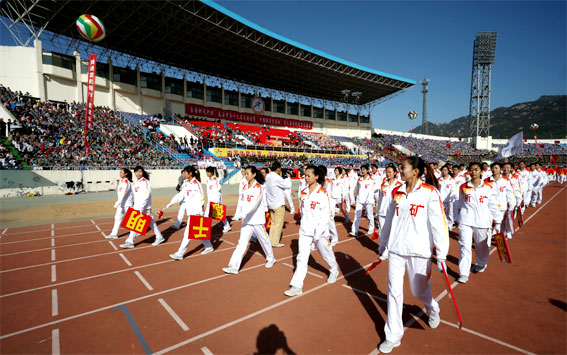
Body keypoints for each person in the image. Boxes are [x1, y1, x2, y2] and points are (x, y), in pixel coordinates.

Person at [377, 156, 449, 354]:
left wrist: (442, 252)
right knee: (393, 291)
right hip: (397, 250)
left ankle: (432, 308)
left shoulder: (429, 193)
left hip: (419, 250)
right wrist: (383, 244)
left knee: (418, 291)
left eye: (404, 167)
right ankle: (393, 336)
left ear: (416, 171)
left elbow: (439, 223)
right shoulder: (396, 192)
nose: (400, 169)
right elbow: (389, 221)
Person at [284, 165, 339, 297]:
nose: (306, 178)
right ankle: (297, 285)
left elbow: (326, 214)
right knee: (302, 258)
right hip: (305, 231)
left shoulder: (322, 193)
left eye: (309, 175)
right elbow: (303, 212)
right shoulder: (303, 192)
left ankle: (334, 269)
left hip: (320, 232)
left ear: (316, 176)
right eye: (305, 175)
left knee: (325, 252)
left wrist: (319, 232)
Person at [222, 166, 275, 274]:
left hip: (257, 220)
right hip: (247, 221)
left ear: (254, 174)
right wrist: (239, 214)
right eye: (244, 174)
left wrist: (243, 213)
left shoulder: (258, 187)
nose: (245, 176)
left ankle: (271, 258)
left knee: (264, 240)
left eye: (247, 174)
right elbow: (242, 202)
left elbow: (254, 204)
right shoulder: (245, 186)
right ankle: (233, 266)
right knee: (241, 243)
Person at [456, 162, 498, 283]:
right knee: (464, 246)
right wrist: (458, 218)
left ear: (481, 172)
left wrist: (496, 220)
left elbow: (493, 204)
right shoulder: (463, 186)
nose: (473, 172)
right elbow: (460, 203)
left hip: (482, 221)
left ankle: (481, 263)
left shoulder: (489, 187)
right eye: (471, 170)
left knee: (482, 246)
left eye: (476, 169)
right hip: (466, 220)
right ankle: (464, 273)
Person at [169, 166, 214, 260]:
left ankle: (180, 253)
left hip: (196, 212)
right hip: (190, 211)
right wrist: (171, 202)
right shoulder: (185, 183)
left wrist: (200, 212)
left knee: (188, 233)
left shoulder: (196, 184)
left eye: (185, 172)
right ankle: (209, 247)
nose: (183, 174)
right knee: (199, 232)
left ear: (190, 173)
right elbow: (181, 194)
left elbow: (202, 198)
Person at [120, 166, 165, 248]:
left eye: (140, 172)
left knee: (134, 222)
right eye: (136, 172)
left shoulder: (145, 182)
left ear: (143, 172)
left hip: (144, 207)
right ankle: (159, 237)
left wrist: (141, 206)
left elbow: (147, 195)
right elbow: (136, 195)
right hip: (138, 206)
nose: (138, 173)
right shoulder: (137, 182)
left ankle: (130, 241)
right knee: (151, 222)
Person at [265, 161, 292, 248]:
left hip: (271, 203)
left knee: (273, 223)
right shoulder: (276, 177)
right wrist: (288, 177)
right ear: (278, 169)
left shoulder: (268, 176)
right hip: (278, 203)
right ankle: (275, 242)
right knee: (278, 224)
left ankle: (270, 240)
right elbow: (287, 185)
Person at [486, 163, 516, 236]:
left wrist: (512, 204)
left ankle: (499, 237)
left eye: (496, 168)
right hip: (490, 207)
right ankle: (489, 241)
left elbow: (510, 193)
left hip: (502, 206)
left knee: (498, 224)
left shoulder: (506, 180)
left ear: (500, 169)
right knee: (488, 225)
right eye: (493, 168)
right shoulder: (486, 181)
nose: (494, 170)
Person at [106, 168, 134, 239]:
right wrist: (116, 182)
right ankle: (114, 234)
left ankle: (134, 233)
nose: (120, 173)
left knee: (131, 220)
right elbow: (119, 189)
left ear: (126, 174)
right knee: (117, 218)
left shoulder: (126, 182)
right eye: (120, 172)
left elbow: (123, 193)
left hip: (127, 204)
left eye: (121, 172)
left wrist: (118, 202)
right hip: (121, 204)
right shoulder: (122, 181)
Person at [350, 165, 376, 236]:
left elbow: (371, 191)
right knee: (357, 215)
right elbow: (357, 189)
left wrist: (369, 200)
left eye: (364, 169)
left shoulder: (371, 180)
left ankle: (371, 228)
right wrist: (357, 198)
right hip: (360, 200)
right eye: (361, 169)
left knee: (369, 215)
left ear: (367, 170)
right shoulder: (359, 179)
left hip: (368, 200)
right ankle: (354, 230)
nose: (362, 171)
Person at [204, 166, 231, 233]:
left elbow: (218, 190)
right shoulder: (208, 179)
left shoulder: (216, 180)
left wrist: (217, 201)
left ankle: (227, 226)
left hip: (215, 200)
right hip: (210, 200)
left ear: (211, 172)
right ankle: (205, 229)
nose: (206, 173)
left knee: (219, 215)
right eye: (206, 172)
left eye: (207, 172)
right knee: (206, 215)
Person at [376, 165, 402, 232]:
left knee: (392, 233)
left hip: (393, 213)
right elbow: (380, 199)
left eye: (390, 172)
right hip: (383, 212)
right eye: (387, 172)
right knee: (382, 234)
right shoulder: (383, 185)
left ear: (394, 173)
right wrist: (378, 211)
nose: (388, 174)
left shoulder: (399, 185)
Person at [502, 162, 522, 239]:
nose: (506, 169)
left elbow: (518, 190)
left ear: (511, 169)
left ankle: (509, 231)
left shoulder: (515, 178)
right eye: (505, 168)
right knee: (502, 218)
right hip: (501, 201)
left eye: (508, 168)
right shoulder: (500, 178)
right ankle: (503, 231)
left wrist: (518, 201)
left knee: (510, 218)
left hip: (511, 201)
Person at [438, 165, 457, 230]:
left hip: (449, 200)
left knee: (449, 213)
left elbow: (454, 189)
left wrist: (452, 196)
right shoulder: (439, 179)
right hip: (440, 200)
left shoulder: (451, 180)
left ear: (448, 171)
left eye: (445, 170)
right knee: (441, 213)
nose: (444, 172)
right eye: (442, 170)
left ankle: (449, 226)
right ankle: (442, 225)